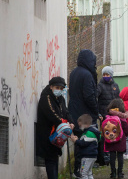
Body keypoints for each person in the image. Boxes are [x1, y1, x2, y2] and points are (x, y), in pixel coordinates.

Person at [69, 49, 100, 178]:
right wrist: (96, 111)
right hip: (85, 115)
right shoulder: (87, 74)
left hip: (75, 113)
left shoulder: (74, 72)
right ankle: (83, 171)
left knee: (79, 142)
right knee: (86, 141)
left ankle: (78, 169)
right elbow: (89, 96)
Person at [36, 76, 74, 179]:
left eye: (61, 89)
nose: (59, 90)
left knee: (54, 159)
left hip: (57, 134)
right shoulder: (46, 98)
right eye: (57, 88)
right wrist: (64, 122)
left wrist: (70, 122)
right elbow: (52, 115)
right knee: (50, 160)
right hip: (47, 134)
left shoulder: (60, 99)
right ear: (51, 87)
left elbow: (65, 112)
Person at [104, 99, 128, 179]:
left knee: (112, 156)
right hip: (120, 140)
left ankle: (113, 173)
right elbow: (127, 130)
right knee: (120, 156)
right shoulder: (122, 118)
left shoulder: (108, 117)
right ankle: (120, 173)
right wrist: (123, 136)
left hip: (110, 140)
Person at [70, 114, 101, 179]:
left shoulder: (89, 133)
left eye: (80, 125)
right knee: (89, 173)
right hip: (92, 156)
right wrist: (78, 139)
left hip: (87, 156)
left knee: (83, 173)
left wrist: (76, 141)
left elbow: (83, 143)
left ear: (86, 124)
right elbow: (85, 141)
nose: (79, 127)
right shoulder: (92, 132)